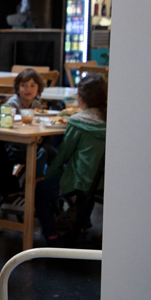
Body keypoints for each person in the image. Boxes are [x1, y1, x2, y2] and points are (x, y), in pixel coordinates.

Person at [34, 76, 108, 245]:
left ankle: (51, 236)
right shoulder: (111, 119)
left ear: (81, 98)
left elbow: (63, 156)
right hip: (103, 182)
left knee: (39, 190)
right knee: (88, 183)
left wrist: (47, 176)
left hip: (81, 182)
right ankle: (80, 226)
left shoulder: (77, 121)